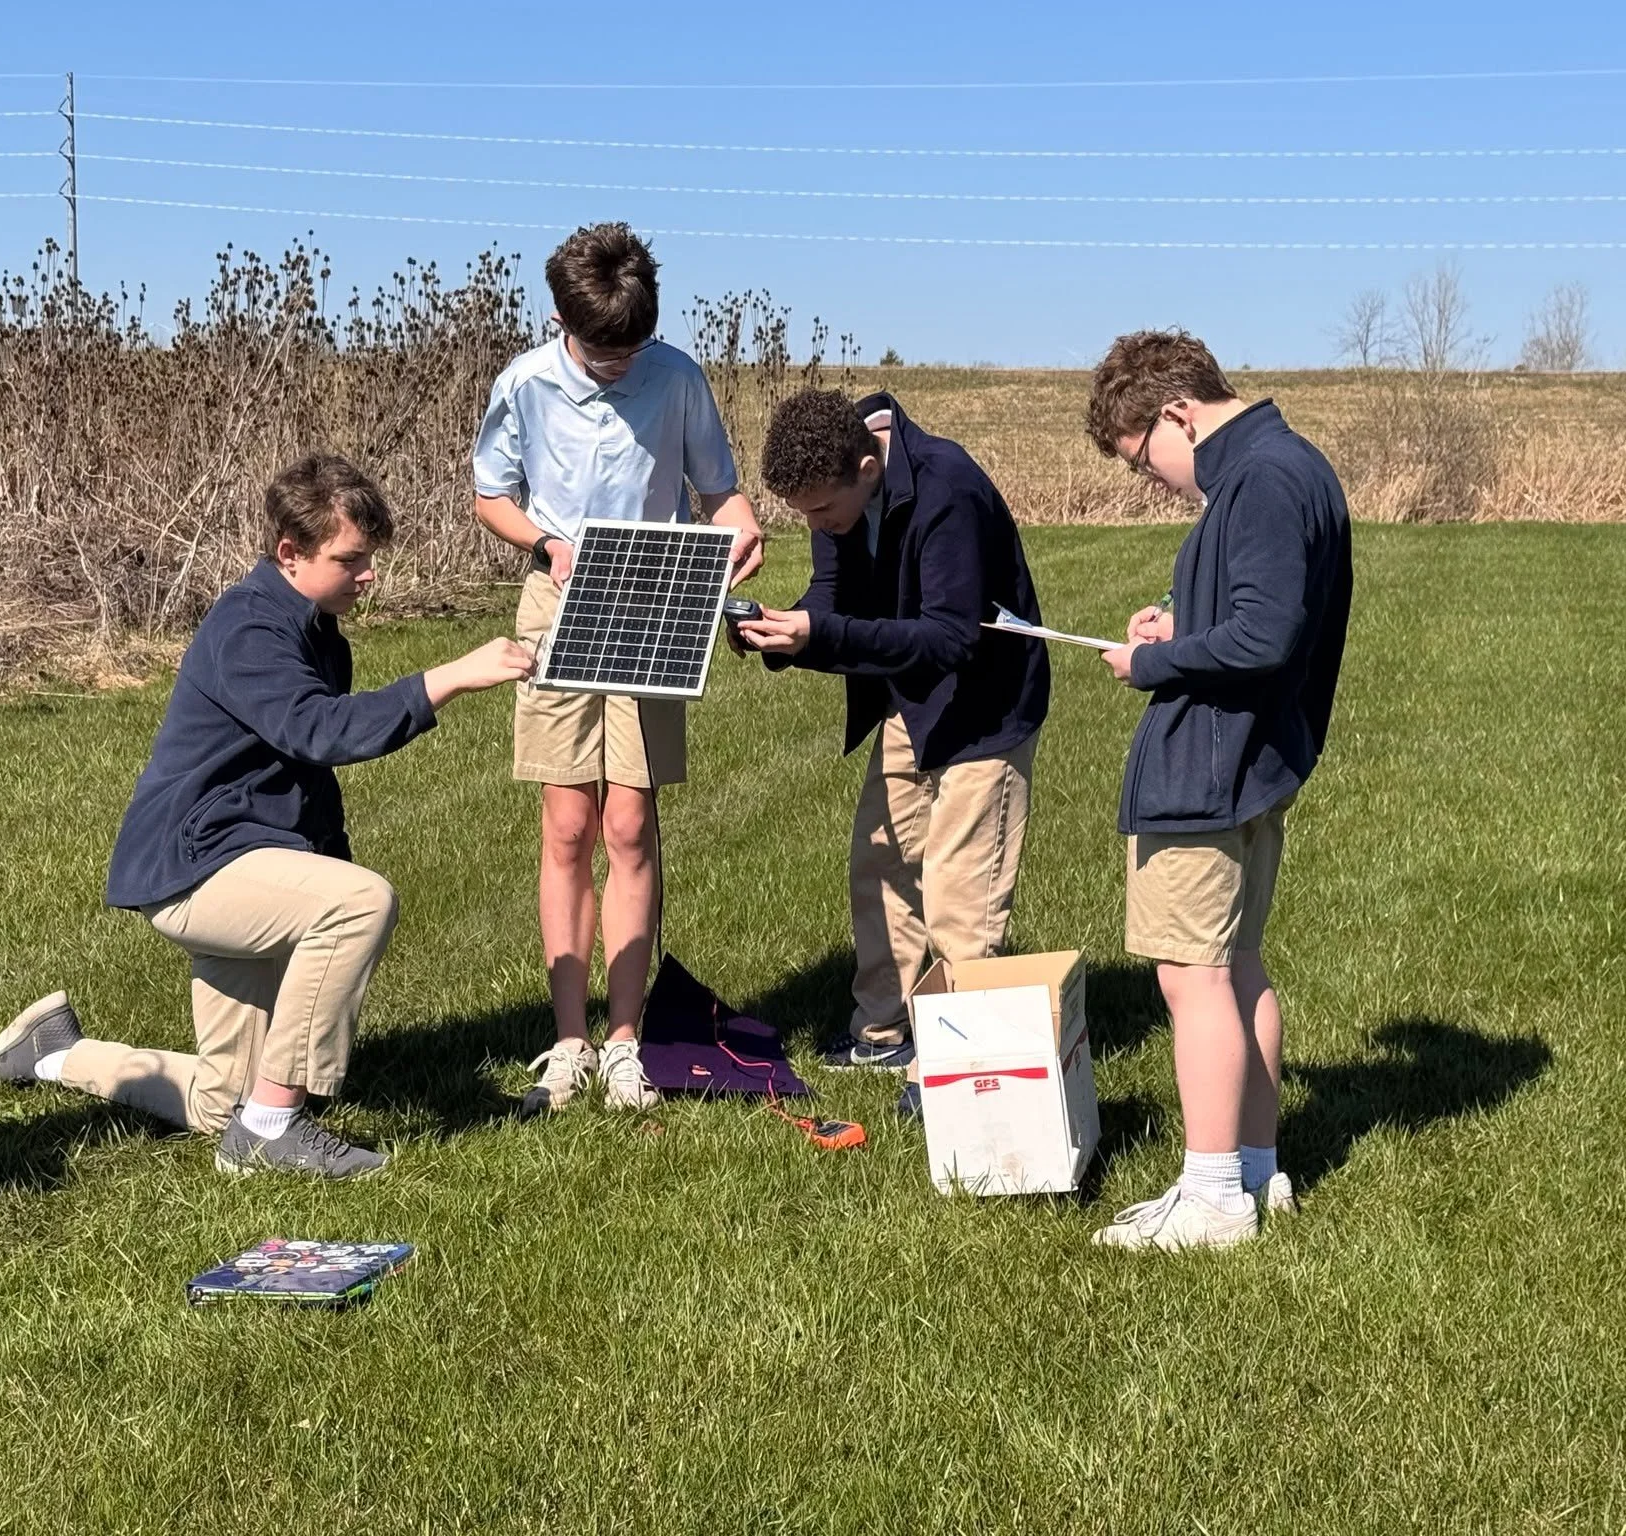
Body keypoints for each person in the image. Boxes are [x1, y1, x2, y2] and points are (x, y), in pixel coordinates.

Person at [0, 453, 534, 1179]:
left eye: (370, 559)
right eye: (351, 559)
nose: (369, 575)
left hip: (242, 856)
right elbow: (321, 731)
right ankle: (272, 1127)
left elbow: (304, 778)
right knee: (360, 905)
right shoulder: (249, 629)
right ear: (290, 553)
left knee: (220, 1100)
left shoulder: (315, 630)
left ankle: (52, 1052)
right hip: (194, 867)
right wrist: (448, 677)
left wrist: (328, 860)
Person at [472, 222, 764, 1117]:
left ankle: (627, 1044)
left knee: (631, 824)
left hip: (655, 603)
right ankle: (569, 1043)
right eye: (602, 350)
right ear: (560, 317)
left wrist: (739, 529)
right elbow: (493, 495)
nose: (618, 364)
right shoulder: (522, 383)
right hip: (558, 605)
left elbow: (720, 493)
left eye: (631, 348)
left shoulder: (678, 379)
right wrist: (548, 545)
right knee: (568, 826)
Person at [1084, 330, 1352, 1251]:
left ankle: (1211, 1198)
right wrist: (1182, 618)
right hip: (1251, 759)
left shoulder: (1261, 478)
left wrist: (1156, 659)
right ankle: (1252, 1165)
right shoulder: (1282, 466)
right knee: (1237, 967)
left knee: (1191, 977)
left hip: (1211, 766)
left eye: (1143, 460)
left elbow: (1265, 636)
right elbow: (1251, 612)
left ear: (1175, 413)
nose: (1155, 481)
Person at [738, 388, 1050, 1119]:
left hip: (986, 709)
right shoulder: (834, 481)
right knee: (879, 869)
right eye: (806, 514)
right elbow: (834, 596)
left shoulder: (949, 488)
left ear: (868, 466)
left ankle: (959, 1067)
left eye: (823, 513)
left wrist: (824, 637)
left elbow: (952, 637)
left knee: (958, 899)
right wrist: (784, 636)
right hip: (910, 702)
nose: (817, 526)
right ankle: (883, 1035)